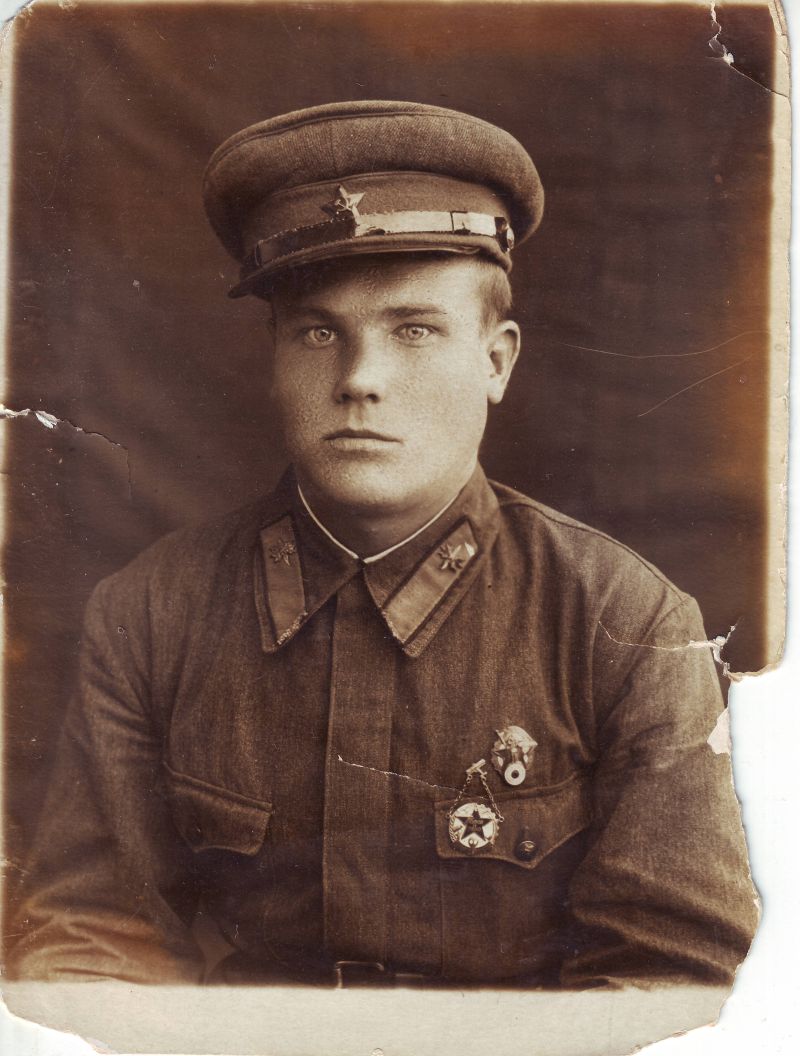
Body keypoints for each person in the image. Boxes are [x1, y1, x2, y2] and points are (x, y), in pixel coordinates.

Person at [7, 100, 758, 987]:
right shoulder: (149, 613)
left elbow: (671, 981)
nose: (360, 378)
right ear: (275, 356)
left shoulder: (627, 624)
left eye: (414, 330)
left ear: (495, 361)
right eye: (319, 332)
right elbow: (90, 937)